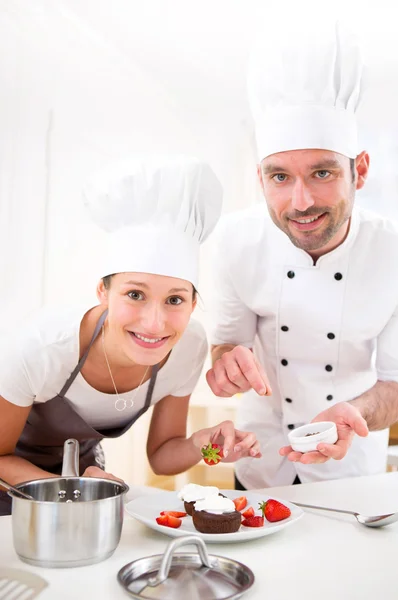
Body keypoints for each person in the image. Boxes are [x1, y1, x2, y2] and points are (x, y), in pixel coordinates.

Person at [0, 155, 261, 515]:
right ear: (103, 292)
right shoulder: (41, 349)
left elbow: (162, 455)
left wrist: (202, 444)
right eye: (135, 294)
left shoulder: (189, 346)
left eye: (174, 299)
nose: (155, 324)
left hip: (88, 488)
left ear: (194, 301)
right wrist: (75, 491)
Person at [206, 21, 398, 489]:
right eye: (279, 177)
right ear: (260, 178)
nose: (300, 202)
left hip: (350, 469)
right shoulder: (233, 240)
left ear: (361, 170)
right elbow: (227, 344)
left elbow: (397, 383)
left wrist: (356, 413)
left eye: (321, 172)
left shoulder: (394, 252)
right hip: (260, 461)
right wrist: (227, 363)